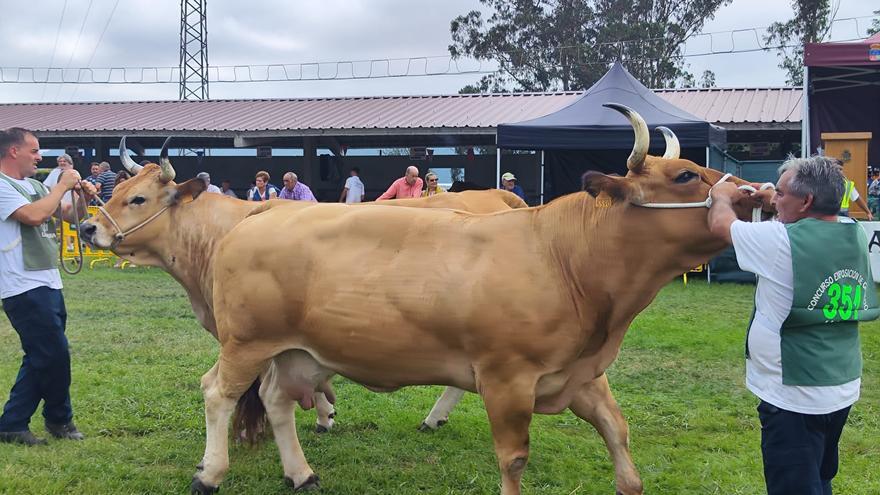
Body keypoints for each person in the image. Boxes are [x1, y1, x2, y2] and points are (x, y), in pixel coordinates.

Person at [708, 155, 879, 495]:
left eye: (783, 194)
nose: (775, 199)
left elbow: (720, 225)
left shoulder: (779, 241)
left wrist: (722, 196)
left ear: (807, 201)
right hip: (840, 386)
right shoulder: (853, 231)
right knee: (819, 476)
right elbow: (803, 214)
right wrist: (774, 192)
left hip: (793, 397)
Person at [0, 127, 98, 446]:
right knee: (55, 354)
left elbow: (69, 216)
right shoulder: (2, 186)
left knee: (42, 355)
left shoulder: (34, 185)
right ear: (13, 151)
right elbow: (32, 215)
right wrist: (62, 185)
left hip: (47, 279)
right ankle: (59, 419)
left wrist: (79, 194)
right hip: (20, 284)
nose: (40, 157)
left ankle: (13, 423)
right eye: (34, 151)